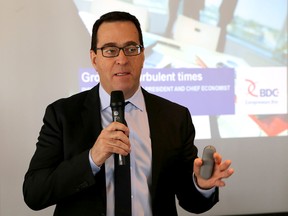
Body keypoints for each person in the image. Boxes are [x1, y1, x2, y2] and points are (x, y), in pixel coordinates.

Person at [23, 11, 234, 216]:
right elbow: (35, 193)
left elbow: (191, 202)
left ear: (142, 56)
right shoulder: (63, 115)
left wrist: (202, 185)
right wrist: (91, 158)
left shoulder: (174, 116)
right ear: (94, 59)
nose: (122, 59)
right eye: (110, 50)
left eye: (131, 48)